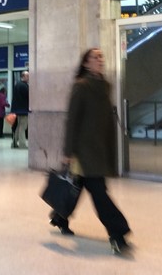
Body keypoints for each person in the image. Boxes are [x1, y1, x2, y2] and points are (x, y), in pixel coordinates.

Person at [50, 48, 131, 255]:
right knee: (99, 192)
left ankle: (59, 216)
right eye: (95, 57)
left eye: (101, 56)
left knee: (77, 185)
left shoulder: (104, 86)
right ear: (86, 63)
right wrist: (68, 151)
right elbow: (72, 120)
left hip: (99, 149)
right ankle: (117, 233)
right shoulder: (81, 86)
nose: (100, 60)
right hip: (84, 151)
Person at [11, 71, 29, 149]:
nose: (29, 77)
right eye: (27, 76)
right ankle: (22, 144)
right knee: (23, 126)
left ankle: (14, 143)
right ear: (23, 76)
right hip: (23, 109)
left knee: (19, 126)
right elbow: (29, 96)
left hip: (17, 109)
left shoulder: (17, 85)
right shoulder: (24, 86)